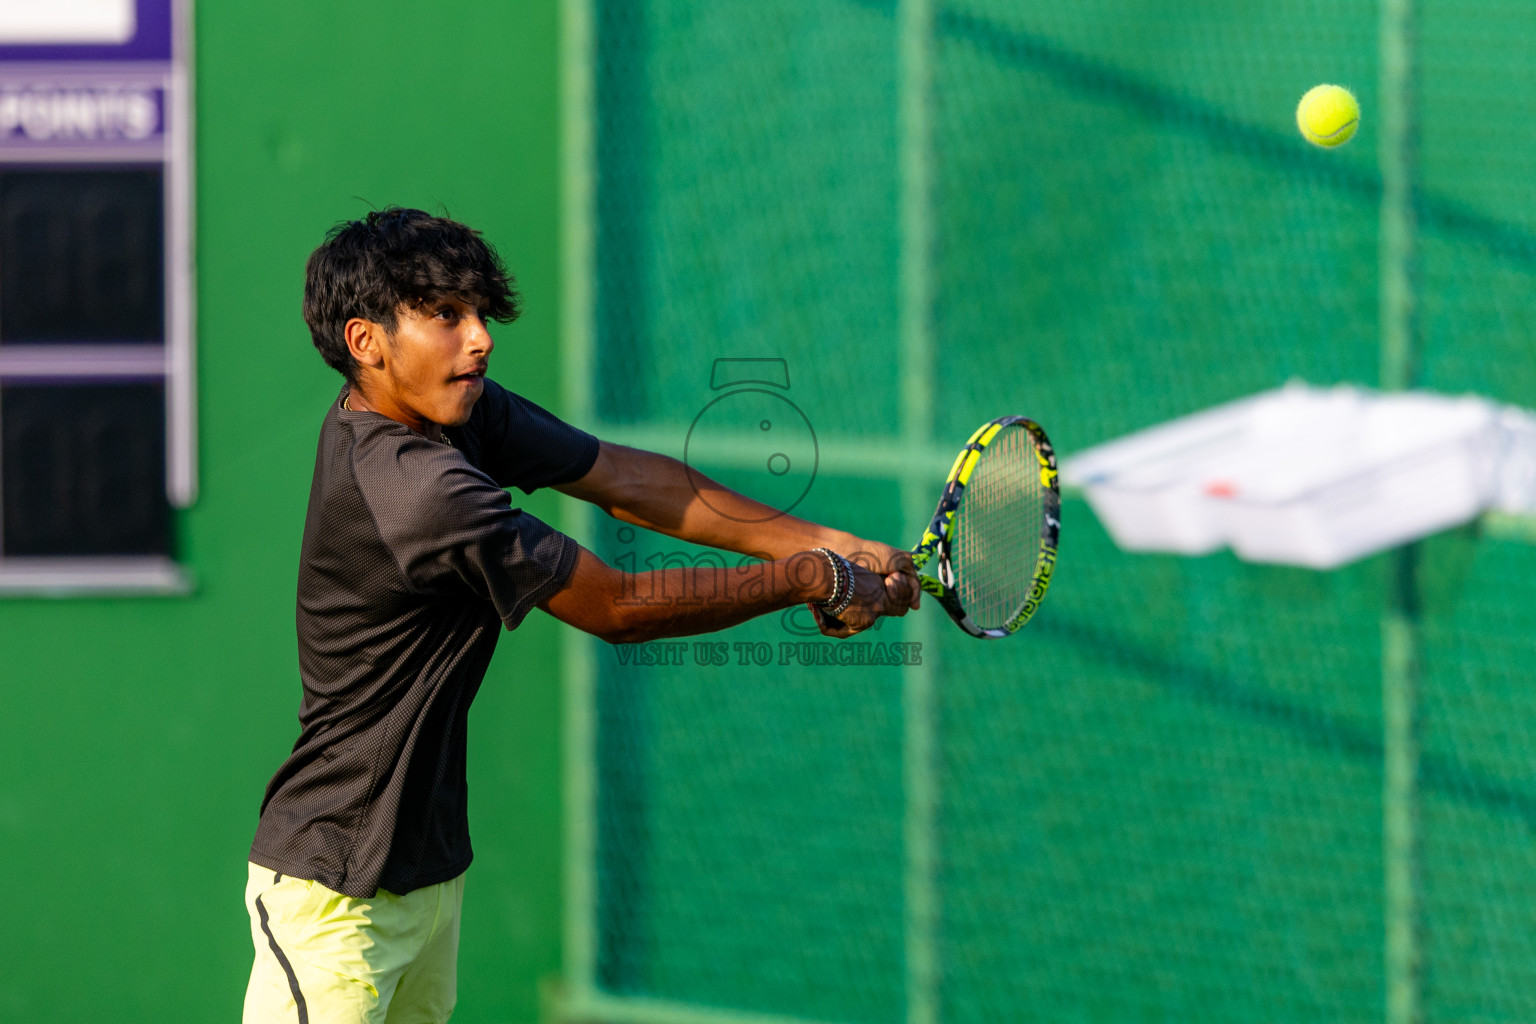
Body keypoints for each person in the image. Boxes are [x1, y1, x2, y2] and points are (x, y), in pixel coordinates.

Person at [242, 207, 919, 1024]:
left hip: (426, 880)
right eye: (448, 317)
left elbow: (629, 479)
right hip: (336, 894)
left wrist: (825, 539)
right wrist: (809, 578)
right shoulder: (414, 488)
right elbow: (618, 606)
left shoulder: (455, 414)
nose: (481, 338)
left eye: (480, 314)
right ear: (366, 341)